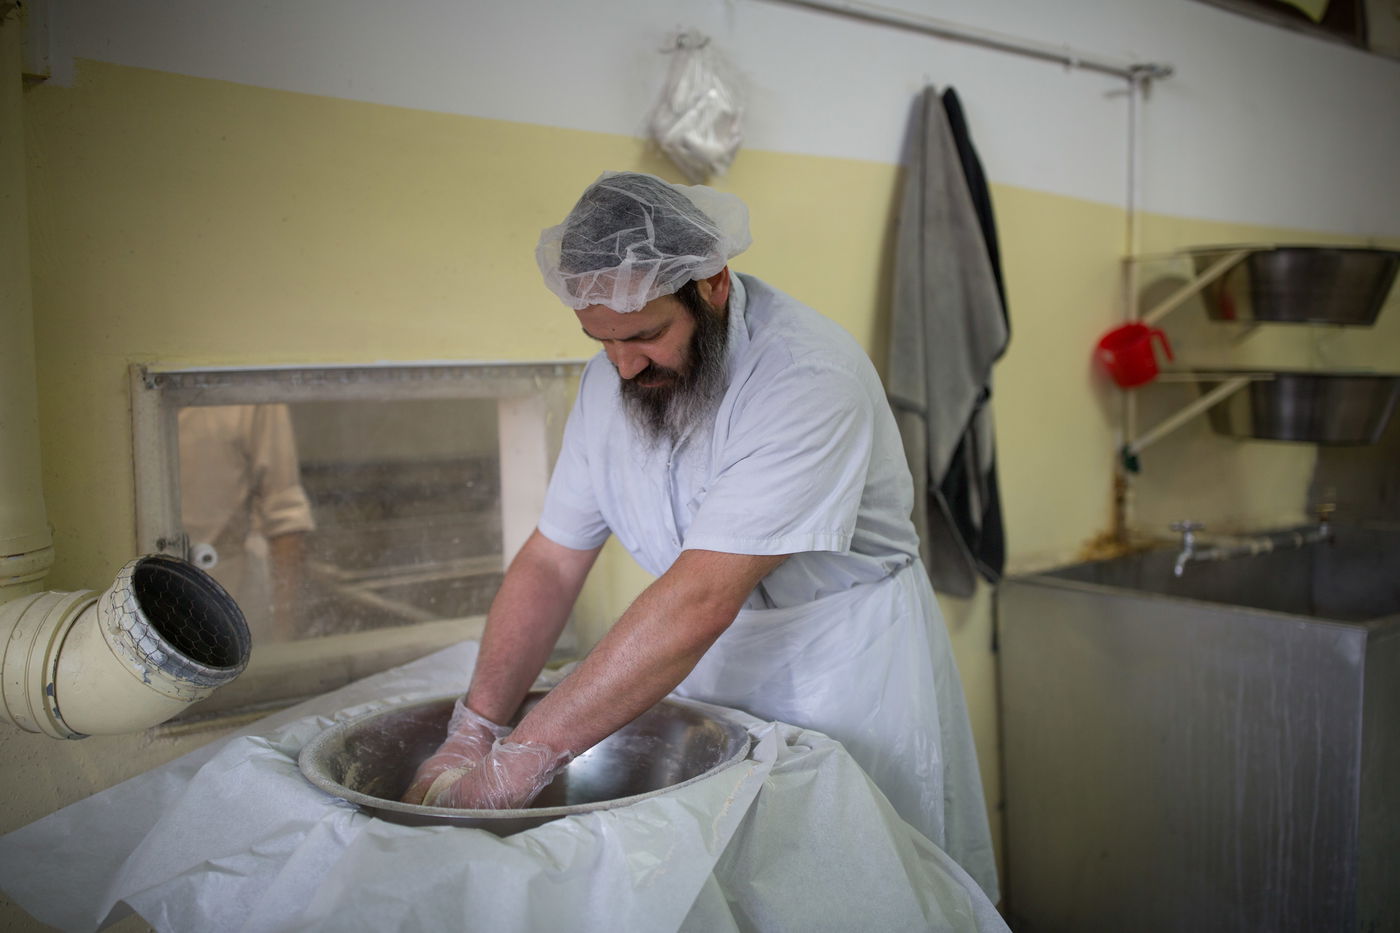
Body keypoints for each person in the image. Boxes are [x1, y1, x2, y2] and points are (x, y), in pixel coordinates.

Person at [403, 171, 998, 900]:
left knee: (862, 891)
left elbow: (699, 598)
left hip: (842, 673)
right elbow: (554, 561)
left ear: (712, 285)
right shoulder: (610, 384)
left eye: (647, 334)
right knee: (738, 893)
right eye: (600, 339)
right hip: (706, 667)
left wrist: (517, 763)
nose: (623, 364)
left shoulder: (804, 377)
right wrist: (476, 728)